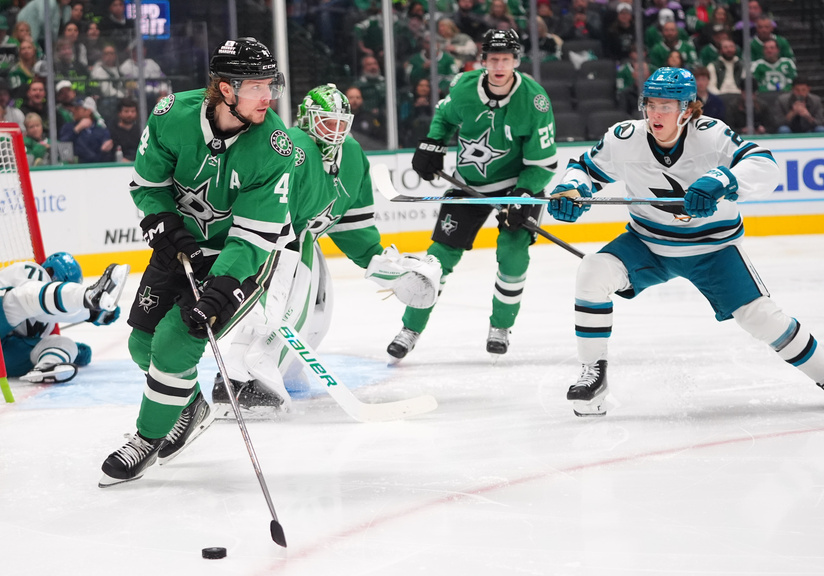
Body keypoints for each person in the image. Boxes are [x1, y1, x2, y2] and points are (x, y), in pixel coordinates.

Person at [545, 67, 824, 417]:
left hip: (714, 250)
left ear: (688, 109)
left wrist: (723, 179)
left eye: (667, 105)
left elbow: (764, 165)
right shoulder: (624, 137)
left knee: (761, 319)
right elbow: (583, 169)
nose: (656, 113)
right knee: (593, 271)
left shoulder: (711, 136)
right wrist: (571, 190)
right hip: (649, 244)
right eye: (651, 104)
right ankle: (593, 375)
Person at [98, 37, 293, 487]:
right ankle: (190, 407)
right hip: (181, 247)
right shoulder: (172, 117)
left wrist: (222, 287)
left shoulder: (274, 146)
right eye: (257, 86)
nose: (269, 96)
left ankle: (146, 439)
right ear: (226, 90)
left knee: (176, 340)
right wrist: (162, 221)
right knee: (140, 347)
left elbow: (252, 236)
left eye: (271, 85)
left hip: (238, 258)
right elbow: (148, 185)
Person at [215, 84, 441, 409]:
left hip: (302, 238)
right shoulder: (293, 147)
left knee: (317, 317)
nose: (334, 130)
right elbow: (265, 210)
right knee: (276, 308)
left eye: (339, 122)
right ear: (307, 119)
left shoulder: (351, 155)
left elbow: (354, 228)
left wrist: (383, 265)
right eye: (326, 121)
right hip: (266, 237)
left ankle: (287, 374)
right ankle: (241, 377)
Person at [387, 29, 558, 363]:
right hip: (469, 183)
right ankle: (409, 330)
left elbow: (544, 163)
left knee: (513, 253)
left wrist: (522, 196)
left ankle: (501, 328)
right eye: (493, 59)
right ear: (483, 60)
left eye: (506, 59)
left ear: (516, 61)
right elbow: (444, 118)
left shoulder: (535, 101)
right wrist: (433, 143)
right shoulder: (464, 87)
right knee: (439, 258)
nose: (499, 65)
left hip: (517, 185)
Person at [0, 253, 128, 384]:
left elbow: (44, 316)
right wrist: (89, 311)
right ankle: (88, 295)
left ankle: (47, 367)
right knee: (23, 299)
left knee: (62, 342)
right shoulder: (31, 272)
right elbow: (35, 304)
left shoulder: (48, 317)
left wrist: (74, 351)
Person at [57, 97, 113, 163]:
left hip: (97, 168)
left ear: (88, 111)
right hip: (75, 168)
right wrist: (76, 130)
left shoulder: (101, 129)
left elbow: (106, 153)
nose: (73, 111)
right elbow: (63, 147)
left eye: (77, 108)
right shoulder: (68, 127)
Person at [107, 97, 139, 162]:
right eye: (126, 111)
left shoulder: (139, 131)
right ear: (119, 113)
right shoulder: (112, 131)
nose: (130, 114)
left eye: (132, 111)